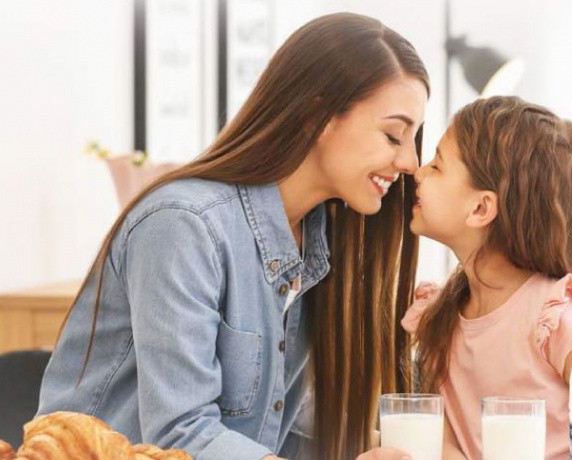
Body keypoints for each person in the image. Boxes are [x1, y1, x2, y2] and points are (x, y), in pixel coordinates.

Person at [37, 12, 429, 460]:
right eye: (394, 135)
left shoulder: (316, 240)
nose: (411, 163)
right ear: (316, 116)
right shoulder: (183, 224)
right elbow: (179, 434)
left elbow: (280, 426)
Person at [402, 96, 572, 459]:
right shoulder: (439, 319)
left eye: (437, 165)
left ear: (481, 208)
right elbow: (445, 445)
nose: (418, 171)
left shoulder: (554, 317)